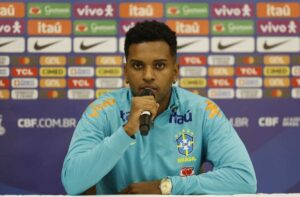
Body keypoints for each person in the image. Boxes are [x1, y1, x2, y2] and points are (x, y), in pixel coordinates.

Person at [61, 20, 257, 195]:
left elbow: (243, 179)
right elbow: (72, 182)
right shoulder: (102, 111)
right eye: (138, 66)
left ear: (175, 72)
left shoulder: (202, 111)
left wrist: (166, 187)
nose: (148, 76)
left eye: (159, 66)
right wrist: (126, 131)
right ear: (126, 72)